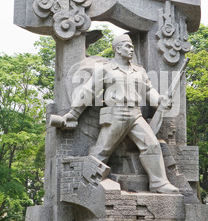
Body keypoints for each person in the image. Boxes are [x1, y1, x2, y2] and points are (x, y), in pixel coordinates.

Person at [63, 33, 179, 194]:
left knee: (151, 145)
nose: (131, 49)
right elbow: (88, 91)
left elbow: (149, 91)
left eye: (132, 46)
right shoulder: (105, 69)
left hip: (136, 114)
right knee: (102, 150)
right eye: (128, 46)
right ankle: (87, 180)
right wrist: (74, 113)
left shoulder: (139, 71)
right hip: (115, 113)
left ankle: (159, 183)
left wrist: (160, 100)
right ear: (118, 49)